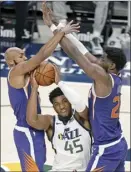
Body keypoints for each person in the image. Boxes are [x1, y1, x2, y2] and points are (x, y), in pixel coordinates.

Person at [42, 3, 128, 172]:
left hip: (106, 149)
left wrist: (58, 32)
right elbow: (83, 51)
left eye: (103, 58)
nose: (98, 59)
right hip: (118, 143)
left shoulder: (103, 77)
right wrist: (56, 26)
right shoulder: (111, 76)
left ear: (111, 66)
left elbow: (75, 54)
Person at [5, 3, 80, 171]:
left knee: (38, 166)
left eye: (24, 54)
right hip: (26, 129)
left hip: (35, 127)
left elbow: (48, 60)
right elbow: (42, 54)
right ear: (11, 62)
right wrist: (61, 32)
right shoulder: (16, 71)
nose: (24, 56)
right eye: (20, 55)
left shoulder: (25, 71)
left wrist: (53, 26)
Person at [26, 69, 92, 171]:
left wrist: (60, 83)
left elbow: (79, 103)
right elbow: (31, 120)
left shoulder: (81, 118)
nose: (61, 106)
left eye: (65, 101)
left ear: (70, 102)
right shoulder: (51, 122)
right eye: (56, 104)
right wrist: (34, 88)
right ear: (53, 107)